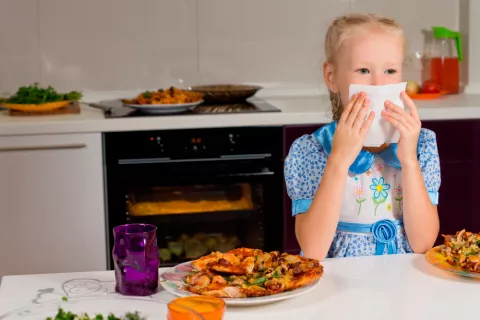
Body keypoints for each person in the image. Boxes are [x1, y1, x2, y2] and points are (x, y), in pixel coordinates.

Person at [284, 13, 441, 261]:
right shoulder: (312, 150)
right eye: (363, 70)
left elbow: (423, 243)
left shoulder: (421, 146)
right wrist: (337, 160)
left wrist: (409, 160)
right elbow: (312, 252)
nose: (378, 84)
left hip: (406, 289)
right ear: (331, 77)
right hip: (340, 289)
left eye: (390, 70)